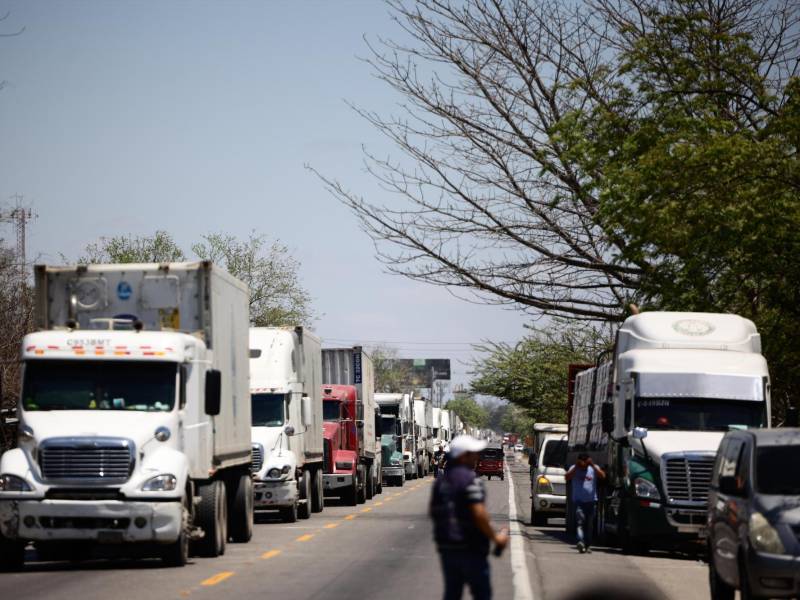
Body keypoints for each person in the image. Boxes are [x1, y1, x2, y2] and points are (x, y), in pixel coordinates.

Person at [430, 435, 509, 600]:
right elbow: (479, 513)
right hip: (471, 548)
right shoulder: (471, 480)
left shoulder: (441, 483)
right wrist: (496, 537)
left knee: (452, 594)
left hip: (447, 548)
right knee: (482, 595)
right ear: (463, 456)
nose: (477, 456)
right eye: (473, 453)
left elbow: (435, 513)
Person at [565, 453, 606, 554]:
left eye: (585, 465)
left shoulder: (593, 468)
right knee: (580, 523)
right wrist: (576, 467)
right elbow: (567, 477)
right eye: (582, 465)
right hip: (578, 501)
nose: (584, 467)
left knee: (590, 525)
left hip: (591, 502)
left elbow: (603, 476)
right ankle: (581, 541)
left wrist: (592, 465)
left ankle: (587, 545)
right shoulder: (574, 468)